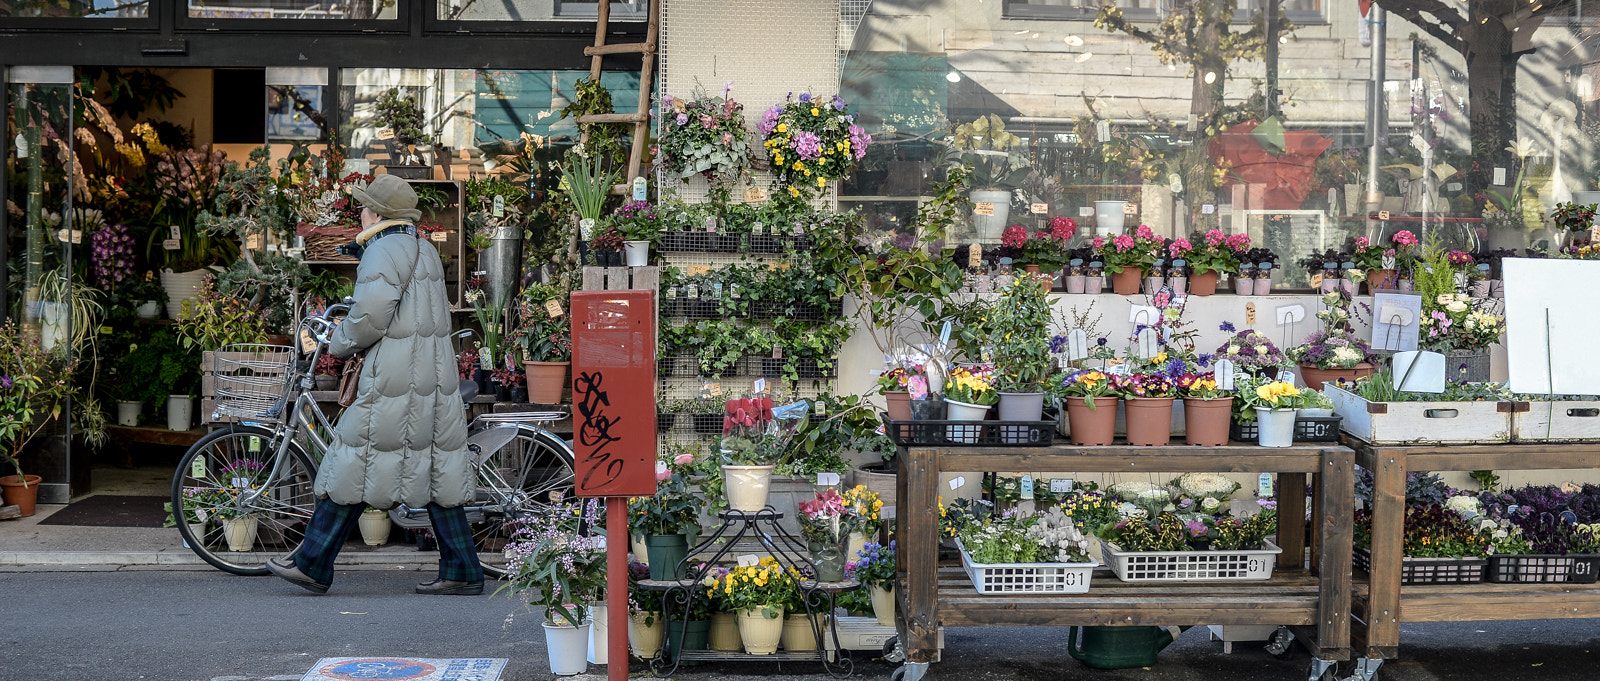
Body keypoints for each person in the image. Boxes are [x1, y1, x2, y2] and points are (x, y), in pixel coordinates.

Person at [267, 174, 482, 596]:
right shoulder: (425, 249)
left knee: (353, 459)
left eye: (364, 206)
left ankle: (312, 563)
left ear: (378, 213)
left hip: (395, 378)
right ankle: (462, 569)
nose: (360, 212)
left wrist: (339, 342)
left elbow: (368, 318)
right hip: (432, 377)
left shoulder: (382, 251)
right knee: (435, 468)